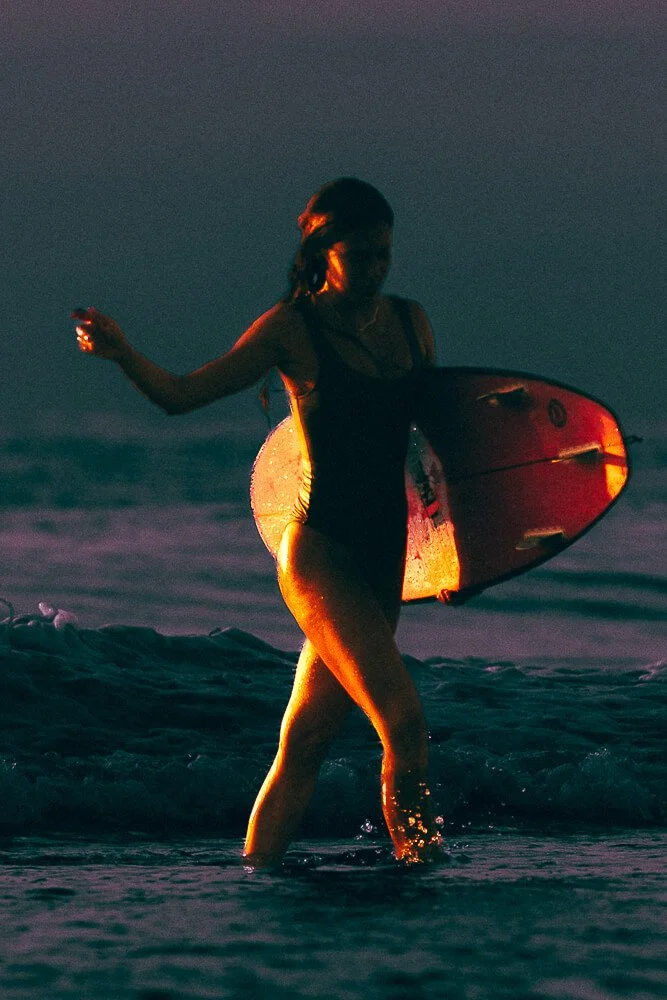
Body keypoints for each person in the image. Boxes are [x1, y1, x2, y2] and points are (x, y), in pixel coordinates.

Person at [74, 177, 443, 866]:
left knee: (304, 741)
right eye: (359, 254)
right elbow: (182, 397)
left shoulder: (410, 322)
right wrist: (123, 354)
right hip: (322, 553)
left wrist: (458, 557)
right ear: (323, 250)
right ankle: (421, 874)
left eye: (383, 253)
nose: (374, 267)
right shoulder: (291, 331)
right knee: (404, 727)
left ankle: (257, 874)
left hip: (386, 553)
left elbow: (439, 452)